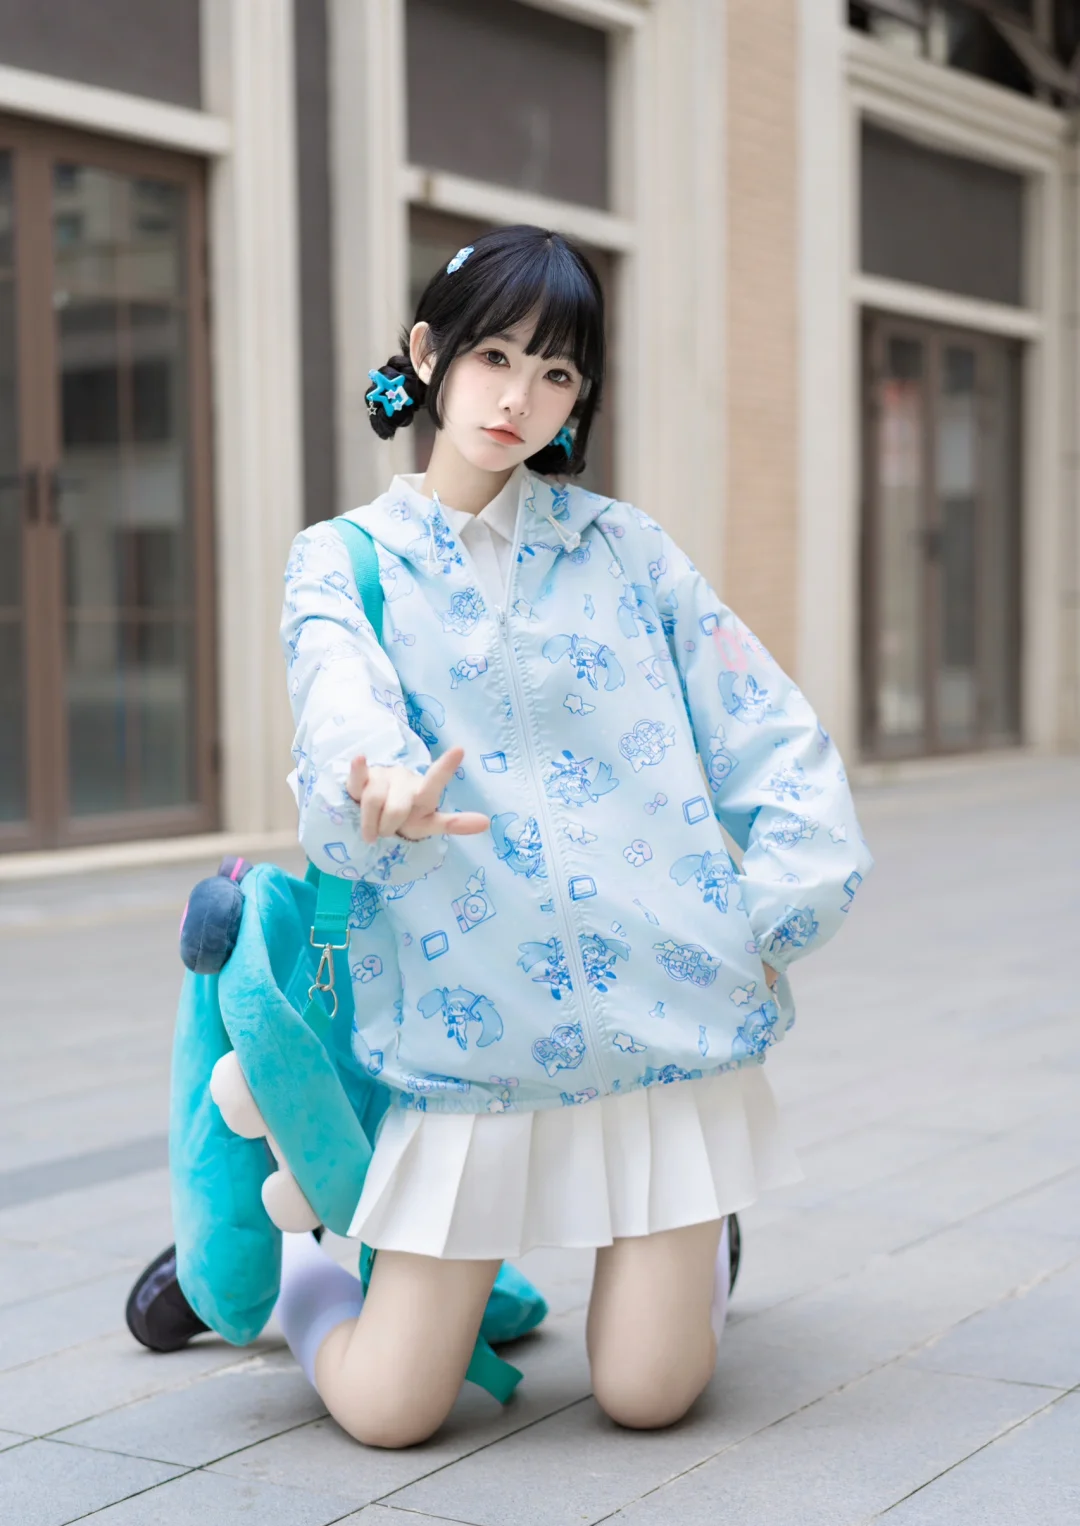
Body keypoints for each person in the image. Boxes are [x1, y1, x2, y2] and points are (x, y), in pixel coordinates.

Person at [133, 224, 872, 1448]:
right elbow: (338, 696)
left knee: (646, 1394)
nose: (518, 397)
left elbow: (763, 721)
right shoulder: (345, 561)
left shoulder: (628, 551)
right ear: (429, 354)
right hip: (470, 1027)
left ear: (580, 397)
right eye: (493, 356)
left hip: (665, 1015)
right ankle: (308, 1270)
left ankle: (694, 1240)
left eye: (557, 371)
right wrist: (377, 782)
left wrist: (781, 904)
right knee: (392, 1410)